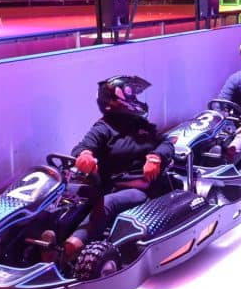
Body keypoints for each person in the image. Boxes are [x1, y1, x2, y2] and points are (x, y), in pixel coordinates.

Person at [64, 75, 175, 258]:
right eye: (132, 95)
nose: (136, 99)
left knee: (108, 203)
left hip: (141, 189)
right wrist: (85, 155)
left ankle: (74, 246)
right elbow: (82, 147)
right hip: (110, 186)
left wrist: (156, 157)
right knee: (66, 196)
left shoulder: (142, 125)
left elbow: (167, 143)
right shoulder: (103, 128)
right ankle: (48, 238)